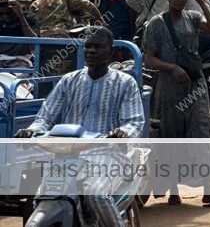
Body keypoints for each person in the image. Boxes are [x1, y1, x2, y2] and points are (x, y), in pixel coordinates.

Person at [15, 26, 145, 227]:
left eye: (98, 47)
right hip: (65, 156)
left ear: (110, 52)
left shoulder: (125, 83)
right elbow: (45, 117)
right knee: (40, 197)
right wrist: (31, 131)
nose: (91, 51)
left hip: (106, 154)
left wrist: (122, 133)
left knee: (96, 195)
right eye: (88, 46)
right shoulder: (69, 81)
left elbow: (134, 122)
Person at [142, 0, 210, 208]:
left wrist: (201, 1)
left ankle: (208, 191)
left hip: (195, 84)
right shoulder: (156, 24)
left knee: (201, 133)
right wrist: (172, 68)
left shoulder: (192, 17)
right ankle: (173, 191)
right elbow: (149, 58)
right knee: (171, 136)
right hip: (169, 88)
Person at [0, 0, 39, 69]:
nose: (5, 16)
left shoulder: (29, 19)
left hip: (20, 60)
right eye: (1, 14)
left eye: (9, 13)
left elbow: (34, 43)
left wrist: (21, 16)